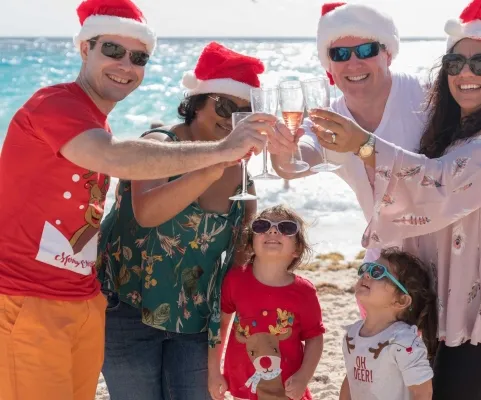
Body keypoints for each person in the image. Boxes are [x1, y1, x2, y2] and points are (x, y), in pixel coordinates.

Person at [0, 1, 279, 399]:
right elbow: (117, 157)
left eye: (139, 57)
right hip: (28, 299)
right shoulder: (54, 105)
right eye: (112, 50)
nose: (126, 64)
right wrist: (220, 152)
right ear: (84, 48)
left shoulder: (95, 121)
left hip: (84, 299)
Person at [309, 0, 481, 398]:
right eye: (455, 64)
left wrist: (366, 146)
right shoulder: (446, 127)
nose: (466, 73)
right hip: (441, 303)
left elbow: (438, 188)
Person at [268, 1, 481, 266]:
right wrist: (282, 150)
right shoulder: (330, 121)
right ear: (328, 66)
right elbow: (294, 162)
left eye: (366, 50)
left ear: (387, 53)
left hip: (446, 261)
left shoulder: (424, 94)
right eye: (339, 54)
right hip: (387, 267)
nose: (353, 63)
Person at [97, 41, 266, 400]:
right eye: (223, 105)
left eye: (244, 113)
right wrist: (214, 163)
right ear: (196, 103)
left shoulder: (242, 175)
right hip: (126, 310)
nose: (231, 119)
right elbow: (147, 213)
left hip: (195, 321)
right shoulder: (158, 144)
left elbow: (239, 261)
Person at [208, 205, 325, 400]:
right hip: (244, 386)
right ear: (251, 243)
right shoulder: (235, 280)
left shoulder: (304, 292)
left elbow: (315, 338)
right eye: (262, 226)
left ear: (297, 249)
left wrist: (303, 378)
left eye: (286, 228)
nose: (272, 230)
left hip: (287, 390)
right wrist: (214, 372)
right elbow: (220, 327)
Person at [339, 248, 437, 400]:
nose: (366, 274)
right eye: (367, 268)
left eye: (377, 272)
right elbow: (351, 381)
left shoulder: (404, 342)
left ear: (401, 300)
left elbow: (423, 392)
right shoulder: (352, 335)